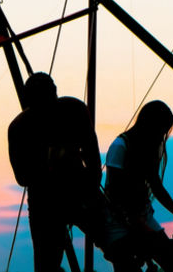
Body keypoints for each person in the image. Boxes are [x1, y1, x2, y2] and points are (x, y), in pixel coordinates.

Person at [7, 72, 107, 272]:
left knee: (118, 239)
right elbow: (22, 177)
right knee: (47, 265)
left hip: (77, 190)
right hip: (46, 199)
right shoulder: (19, 128)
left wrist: (91, 190)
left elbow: (93, 158)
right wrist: (50, 163)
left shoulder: (74, 110)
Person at [103, 101, 173, 272]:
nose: (161, 137)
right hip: (118, 222)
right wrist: (140, 226)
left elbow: (156, 186)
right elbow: (115, 193)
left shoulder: (146, 149)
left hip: (143, 216)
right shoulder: (120, 146)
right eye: (160, 131)